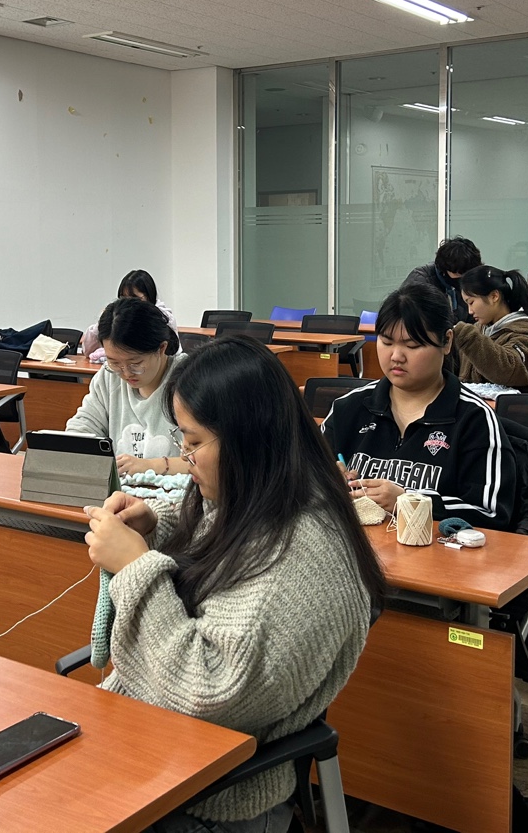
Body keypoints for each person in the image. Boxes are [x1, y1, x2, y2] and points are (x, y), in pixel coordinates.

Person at [83, 337, 384, 833]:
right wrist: (153, 523)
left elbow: (206, 693)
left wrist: (136, 567)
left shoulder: (301, 559)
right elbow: (216, 530)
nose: (185, 457)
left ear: (249, 439)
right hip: (155, 753)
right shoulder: (265, 494)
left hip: (209, 798)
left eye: (193, 442)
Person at [323, 282, 516, 528]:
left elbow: (492, 513)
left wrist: (410, 501)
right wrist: (326, 482)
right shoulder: (348, 408)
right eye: (386, 342)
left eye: (412, 345)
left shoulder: (474, 419)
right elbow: (297, 483)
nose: (396, 356)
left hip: (435, 550)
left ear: (447, 342)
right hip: (356, 546)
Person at [67, 297, 187, 477]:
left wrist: (151, 465)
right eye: (114, 363)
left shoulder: (190, 380)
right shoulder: (108, 377)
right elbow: (83, 426)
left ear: (162, 348)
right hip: (121, 491)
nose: (126, 373)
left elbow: (210, 461)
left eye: (135, 363)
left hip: (174, 492)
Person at [452, 266, 528, 392]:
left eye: (471, 302)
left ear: (494, 296)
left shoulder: (525, 334)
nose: (470, 311)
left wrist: (467, 337)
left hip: (508, 404)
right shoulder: (480, 329)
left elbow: (510, 372)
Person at [81, 269, 178, 362]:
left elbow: (173, 355)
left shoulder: (163, 317)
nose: (128, 304)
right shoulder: (118, 317)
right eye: (124, 298)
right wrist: (104, 321)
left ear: (149, 296)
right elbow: (87, 351)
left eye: (134, 298)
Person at [404, 235, 481, 327]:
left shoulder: (469, 280)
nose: (463, 278)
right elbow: (413, 322)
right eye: (459, 273)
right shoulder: (420, 281)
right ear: (445, 269)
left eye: (467, 273)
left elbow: (472, 318)